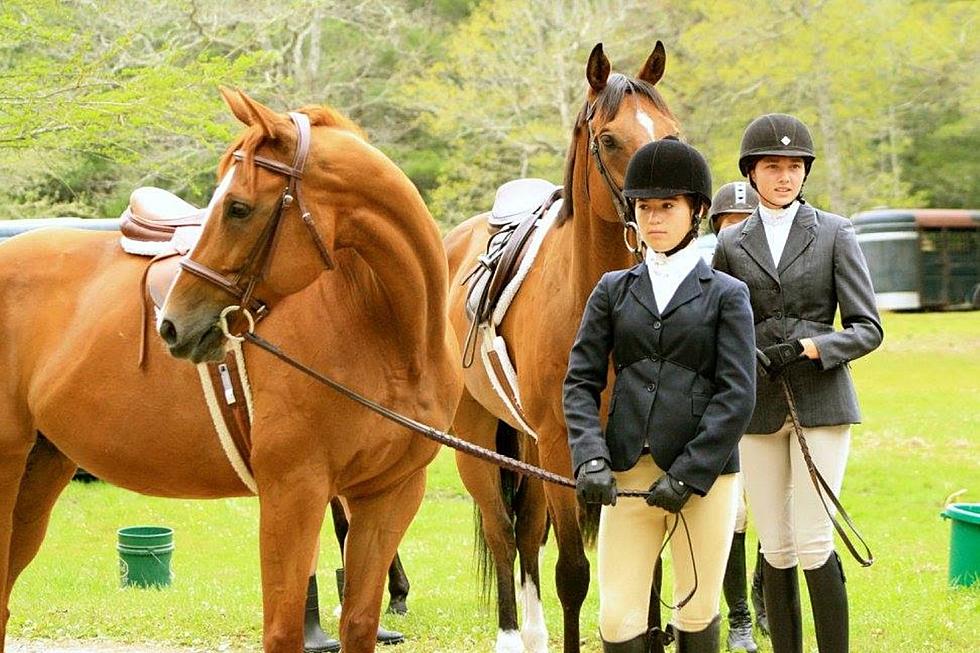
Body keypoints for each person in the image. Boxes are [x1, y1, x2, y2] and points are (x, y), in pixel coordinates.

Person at [564, 138, 757, 652]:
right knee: (616, 617)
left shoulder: (727, 294)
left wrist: (691, 473)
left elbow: (737, 394)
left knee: (696, 611)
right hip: (628, 471)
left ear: (694, 211)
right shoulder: (612, 289)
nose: (654, 219)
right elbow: (581, 380)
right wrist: (589, 459)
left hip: (706, 478)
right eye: (645, 208)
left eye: (667, 207)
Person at [712, 114, 883, 653]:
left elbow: (867, 328)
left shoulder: (835, 232)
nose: (784, 177)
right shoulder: (733, 244)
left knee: (812, 539)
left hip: (822, 400)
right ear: (752, 173)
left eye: (793, 167)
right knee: (776, 546)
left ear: (804, 173)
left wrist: (812, 347)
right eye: (772, 167)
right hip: (758, 404)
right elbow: (716, 323)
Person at [707, 182, 766, 653]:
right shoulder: (710, 276)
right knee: (738, 515)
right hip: (729, 404)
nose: (739, 234)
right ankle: (740, 616)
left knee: (780, 511)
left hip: (776, 397)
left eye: (747, 225)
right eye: (730, 226)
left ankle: (765, 599)